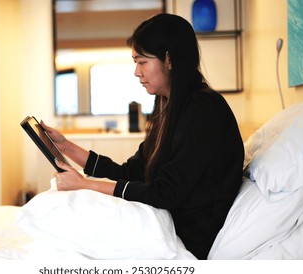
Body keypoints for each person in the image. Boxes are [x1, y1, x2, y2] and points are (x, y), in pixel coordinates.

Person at [41, 13, 244, 260]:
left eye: (142, 62)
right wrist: (66, 147)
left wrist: (85, 184)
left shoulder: (204, 110)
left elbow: (165, 193)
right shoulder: (168, 108)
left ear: (169, 58)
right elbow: (131, 172)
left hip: (189, 239)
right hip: (167, 223)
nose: (137, 72)